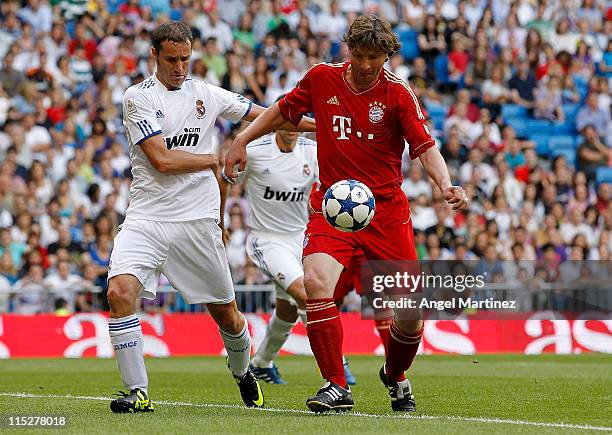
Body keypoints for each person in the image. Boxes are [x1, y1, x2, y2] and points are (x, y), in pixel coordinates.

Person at [225, 15, 468, 413]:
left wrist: (445, 185)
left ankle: (395, 375)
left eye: (375, 57)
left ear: (387, 55)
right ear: (349, 51)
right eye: (360, 55)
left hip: (387, 213)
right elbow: (283, 111)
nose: (367, 64)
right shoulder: (322, 78)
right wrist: (242, 138)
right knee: (316, 283)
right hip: (332, 209)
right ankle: (335, 385)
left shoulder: (399, 95)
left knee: (408, 313)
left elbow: (424, 146)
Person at [107, 21, 314, 414]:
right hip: (147, 218)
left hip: (197, 222)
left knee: (229, 317)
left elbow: (271, 116)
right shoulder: (137, 98)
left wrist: (327, 129)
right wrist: (216, 157)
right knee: (119, 293)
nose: (180, 67)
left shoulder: (206, 93)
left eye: (186, 58)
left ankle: (243, 372)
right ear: (154, 56)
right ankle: (138, 392)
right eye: (171, 59)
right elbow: (162, 160)